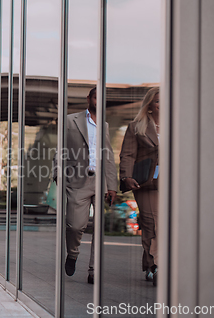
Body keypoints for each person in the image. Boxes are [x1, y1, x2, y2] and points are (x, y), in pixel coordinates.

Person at [54, 87, 118, 284]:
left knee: (98, 229)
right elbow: (60, 148)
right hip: (77, 181)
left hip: (100, 182)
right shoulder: (70, 120)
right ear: (89, 98)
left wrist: (112, 185)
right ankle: (72, 254)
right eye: (97, 97)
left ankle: (93, 271)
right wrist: (58, 171)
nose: (99, 101)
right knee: (75, 226)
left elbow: (108, 156)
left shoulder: (105, 126)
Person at [119, 87, 160, 286]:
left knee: (166, 225)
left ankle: (150, 262)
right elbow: (127, 155)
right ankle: (156, 266)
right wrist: (126, 176)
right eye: (159, 101)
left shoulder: (179, 125)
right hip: (146, 182)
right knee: (151, 223)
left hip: (173, 184)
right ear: (151, 106)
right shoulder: (137, 127)